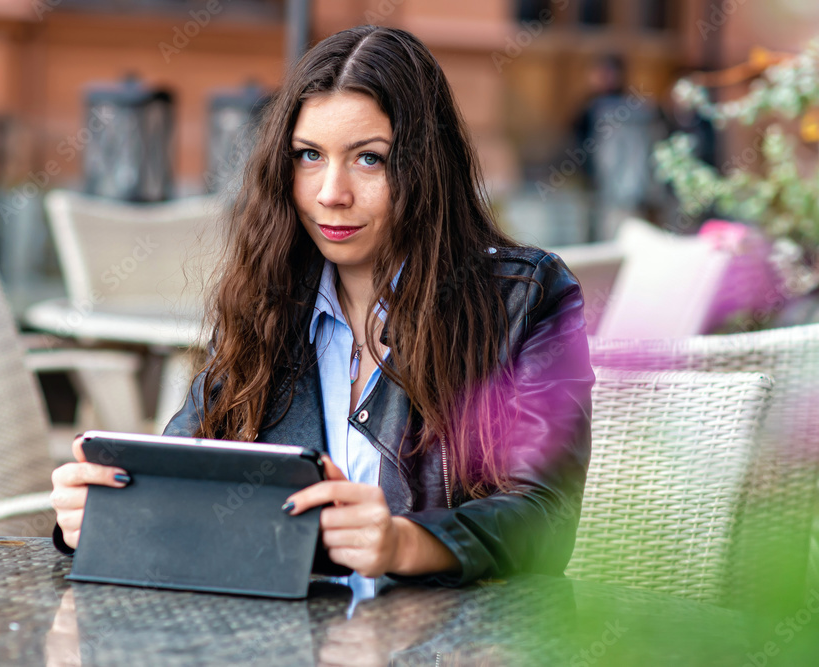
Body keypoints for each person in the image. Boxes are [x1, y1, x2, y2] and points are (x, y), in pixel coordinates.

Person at [51, 25, 593, 587]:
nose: (331, 193)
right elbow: (181, 476)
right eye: (309, 155)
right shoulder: (268, 299)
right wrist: (100, 513)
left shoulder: (523, 299)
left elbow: (544, 517)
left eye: (369, 160)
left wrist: (407, 541)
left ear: (427, 168)